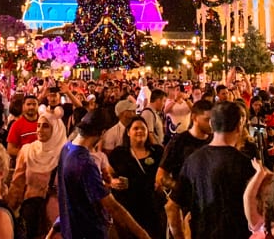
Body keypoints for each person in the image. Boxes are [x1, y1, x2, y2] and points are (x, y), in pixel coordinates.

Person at [56, 109, 151, 239]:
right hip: (88, 233)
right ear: (103, 132)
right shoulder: (85, 162)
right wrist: (143, 235)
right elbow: (113, 207)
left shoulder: (66, 149)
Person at [166, 101, 255, 239]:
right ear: (239, 127)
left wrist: (180, 236)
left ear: (212, 125)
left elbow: (171, 207)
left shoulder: (192, 161)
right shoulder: (245, 164)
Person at [7, 105, 66, 239]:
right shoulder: (27, 151)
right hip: (32, 214)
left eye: (45, 126)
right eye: (38, 125)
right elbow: (17, 185)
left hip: (57, 218)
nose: (39, 130)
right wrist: (7, 210)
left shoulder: (66, 155)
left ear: (56, 129)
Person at [109, 116, 166, 239]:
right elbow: (107, 176)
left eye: (143, 128)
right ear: (128, 132)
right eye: (135, 128)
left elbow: (166, 174)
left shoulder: (157, 152)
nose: (139, 131)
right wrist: (113, 182)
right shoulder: (119, 154)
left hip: (153, 208)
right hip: (128, 209)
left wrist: (162, 182)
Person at [156, 99, 212, 191]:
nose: (211, 123)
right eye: (207, 119)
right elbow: (161, 176)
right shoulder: (179, 141)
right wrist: (180, 189)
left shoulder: (215, 140)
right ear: (194, 118)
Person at [7, 95, 39, 160]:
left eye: (34, 104)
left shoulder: (44, 122)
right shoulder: (16, 125)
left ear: (38, 106)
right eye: (28, 104)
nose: (31, 107)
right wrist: (28, 154)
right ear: (23, 106)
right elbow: (10, 149)